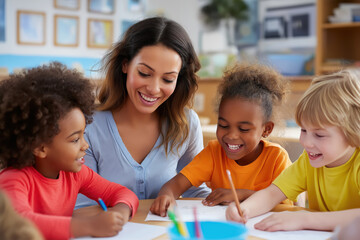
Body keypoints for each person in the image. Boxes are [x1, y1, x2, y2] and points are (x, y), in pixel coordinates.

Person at [75, 16, 210, 209]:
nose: (154, 89)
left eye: (168, 79)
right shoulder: (89, 125)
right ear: (125, 65)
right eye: (144, 73)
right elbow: (82, 206)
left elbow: (195, 190)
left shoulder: (187, 124)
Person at [0, 62, 139, 240]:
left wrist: (120, 211)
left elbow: (121, 193)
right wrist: (89, 225)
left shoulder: (76, 174)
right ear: (40, 148)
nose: (85, 145)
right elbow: (19, 223)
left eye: (83, 136)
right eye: (75, 139)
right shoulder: (13, 180)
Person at [150, 62, 293, 217]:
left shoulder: (277, 159)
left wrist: (243, 194)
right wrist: (166, 196)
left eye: (243, 129)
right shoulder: (214, 152)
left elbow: (286, 207)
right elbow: (175, 184)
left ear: (266, 129)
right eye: (223, 125)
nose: (231, 136)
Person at [226, 69, 360, 232]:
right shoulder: (308, 161)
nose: (306, 142)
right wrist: (244, 209)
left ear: (354, 131)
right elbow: (272, 194)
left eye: (319, 134)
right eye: (303, 130)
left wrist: (305, 219)